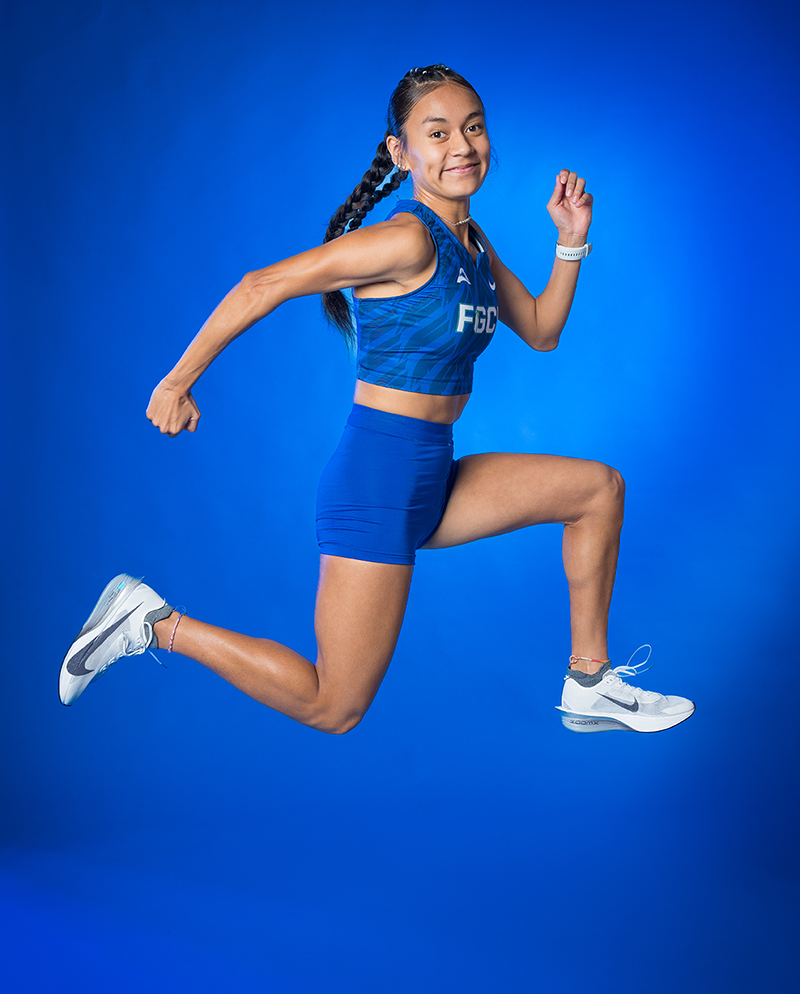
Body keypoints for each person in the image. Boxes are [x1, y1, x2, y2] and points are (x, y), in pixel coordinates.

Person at [59, 65, 694, 734]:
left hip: (431, 475)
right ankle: (152, 624)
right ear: (401, 152)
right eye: (438, 132)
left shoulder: (471, 245)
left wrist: (570, 241)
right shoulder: (406, 238)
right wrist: (175, 382)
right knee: (335, 705)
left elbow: (539, 329)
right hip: (376, 481)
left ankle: (589, 682)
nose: (462, 147)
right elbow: (260, 284)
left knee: (597, 491)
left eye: (473, 128)